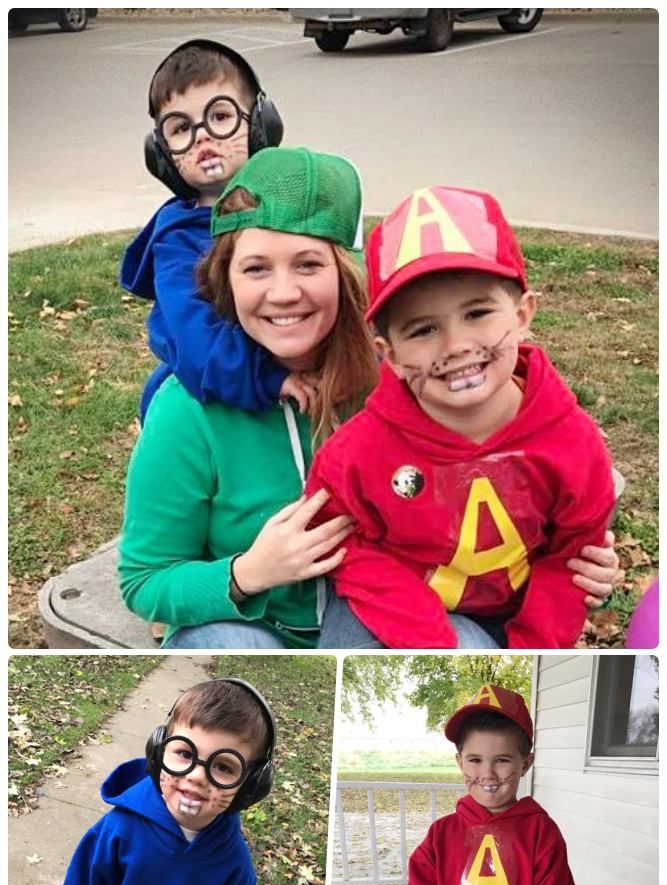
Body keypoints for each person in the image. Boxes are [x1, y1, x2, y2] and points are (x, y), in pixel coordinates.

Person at [306, 185, 617, 649]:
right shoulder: (357, 452)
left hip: (513, 617)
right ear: (388, 355)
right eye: (423, 329)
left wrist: (527, 651)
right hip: (393, 609)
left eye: (477, 313)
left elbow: (572, 558)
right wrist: (431, 638)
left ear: (522, 313)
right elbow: (337, 538)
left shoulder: (574, 443)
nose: (456, 346)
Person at [119, 146, 378, 648]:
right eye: (256, 268)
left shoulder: (391, 386)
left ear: (346, 275)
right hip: (249, 627)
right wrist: (247, 572)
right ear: (227, 279)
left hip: (376, 617)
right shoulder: (187, 409)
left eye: (307, 264)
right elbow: (144, 580)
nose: (282, 293)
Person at [121, 39, 318, 422]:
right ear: (161, 153)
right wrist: (266, 377)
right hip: (223, 391)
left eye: (221, 116)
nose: (204, 137)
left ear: (261, 123)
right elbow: (191, 334)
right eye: (181, 128)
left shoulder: (289, 206)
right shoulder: (176, 244)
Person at [55, 678, 275, 885]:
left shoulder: (231, 859)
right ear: (159, 751)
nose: (198, 776)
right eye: (185, 754)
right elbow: (87, 877)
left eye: (224, 767)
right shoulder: (121, 828)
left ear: (251, 786)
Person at [409, 683, 579, 885]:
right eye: (475, 760)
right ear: (459, 761)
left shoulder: (542, 834)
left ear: (525, 764)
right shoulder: (440, 835)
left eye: (502, 760)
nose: (487, 773)